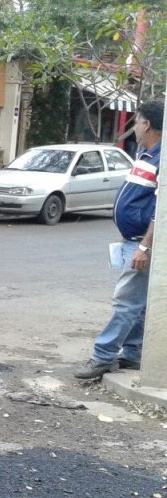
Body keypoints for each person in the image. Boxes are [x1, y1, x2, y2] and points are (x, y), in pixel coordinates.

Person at [74, 99, 163, 380]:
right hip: (133, 240)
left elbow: (161, 211)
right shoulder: (146, 154)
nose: (134, 127)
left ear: (147, 124)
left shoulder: (161, 160)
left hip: (142, 243)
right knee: (138, 303)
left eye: (136, 121)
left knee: (125, 301)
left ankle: (103, 356)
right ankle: (133, 353)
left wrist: (144, 247)